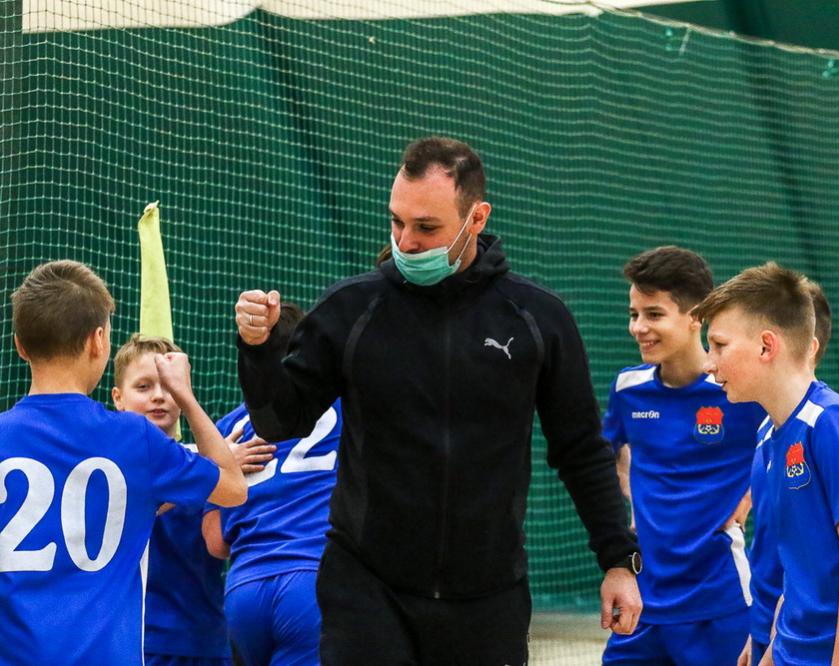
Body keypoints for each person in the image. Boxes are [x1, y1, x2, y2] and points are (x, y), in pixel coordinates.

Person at [233, 136, 641, 664]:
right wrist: (259, 350)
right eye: (397, 222)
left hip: (489, 599)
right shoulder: (351, 309)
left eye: (426, 227)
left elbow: (581, 450)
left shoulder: (537, 319)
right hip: (366, 587)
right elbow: (279, 420)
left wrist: (618, 560)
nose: (406, 242)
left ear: (477, 218)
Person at [0, 260, 246, 664]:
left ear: (20, 346)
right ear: (98, 341)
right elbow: (234, 487)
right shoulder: (135, 438)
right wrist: (184, 396)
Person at [694, 262, 839, 666]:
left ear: (766, 346)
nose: (708, 363)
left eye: (718, 345)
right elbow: (801, 565)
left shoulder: (833, 424)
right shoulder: (768, 437)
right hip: (795, 651)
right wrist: (772, 646)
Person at [600, 246, 766, 666]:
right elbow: (602, 456)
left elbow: (785, 442)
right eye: (634, 314)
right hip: (642, 599)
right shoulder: (628, 389)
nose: (639, 327)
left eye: (654, 314)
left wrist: (751, 494)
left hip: (720, 600)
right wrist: (628, 493)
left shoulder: (738, 391)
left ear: (696, 317)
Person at [204, 303, 342, 666]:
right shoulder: (346, 408)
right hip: (313, 580)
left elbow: (215, 542)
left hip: (244, 590)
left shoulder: (227, 429)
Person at [111, 334, 242, 666]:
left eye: (169, 387)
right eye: (143, 387)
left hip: (207, 639)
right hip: (139, 639)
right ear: (118, 398)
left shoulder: (214, 461)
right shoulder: (109, 466)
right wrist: (212, 474)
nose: (159, 396)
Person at [739, 280, 832, 666]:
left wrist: (780, 641)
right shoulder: (767, 432)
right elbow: (780, 551)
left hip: (811, 641)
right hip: (772, 632)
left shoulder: (829, 426)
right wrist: (761, 634)